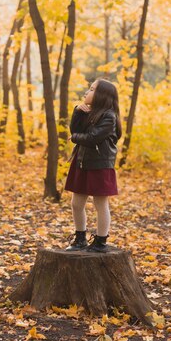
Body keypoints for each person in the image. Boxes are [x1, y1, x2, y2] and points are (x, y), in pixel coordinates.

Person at [64, 79, 122, 253]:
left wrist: (75, 138)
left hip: (100, 165)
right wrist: (78, 113)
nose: (86, 92)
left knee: (100, 204)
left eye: (91, 89)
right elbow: (74, 129)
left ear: (102, 95)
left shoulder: (109, 116)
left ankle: (101, 241)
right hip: (82, 162)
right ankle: (80, 238)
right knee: (76, 203)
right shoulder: (88, 112)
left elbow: (92, 138)